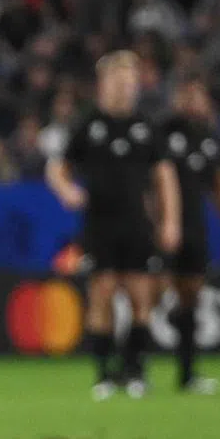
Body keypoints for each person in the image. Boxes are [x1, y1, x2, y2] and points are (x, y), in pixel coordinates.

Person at [45, 50, 181, 401]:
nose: (125, 87)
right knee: (101, 295)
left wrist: (170, 221)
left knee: (141, 296)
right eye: (119, 80)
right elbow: (57, 168)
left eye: (130, 80)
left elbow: (164, 176)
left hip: (136, 222)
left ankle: (135, 370)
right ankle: (104, 374)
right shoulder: (87, 124)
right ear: (104, 84)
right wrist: (67, 191)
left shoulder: (146, 126)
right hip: (99, 224)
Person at [158, 75, 220, 394]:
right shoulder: (161, 132)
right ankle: (130, 369)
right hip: (163, 227)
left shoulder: (210, 139)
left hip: (194, 227)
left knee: (191, 294)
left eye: (197, 95)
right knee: (149, 294)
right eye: (186, 94)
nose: (192, 101)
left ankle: (187, 373)